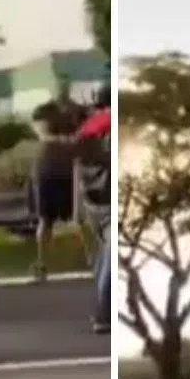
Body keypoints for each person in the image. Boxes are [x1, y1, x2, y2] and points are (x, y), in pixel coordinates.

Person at [29, 102, 81, 281]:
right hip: (52, 172)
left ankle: (43, 262)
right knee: (47, 220)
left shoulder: (64, 125)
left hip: (55, 172)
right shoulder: (51, 125)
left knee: (49, 220)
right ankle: (41, 263)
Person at [77, 86, 113, 334]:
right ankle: (103, 313)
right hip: (109, 198)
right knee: (109, 258)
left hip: (91, 201)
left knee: (104, 255)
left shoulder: (87, 128)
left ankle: (101, 308)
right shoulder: (111, 125)